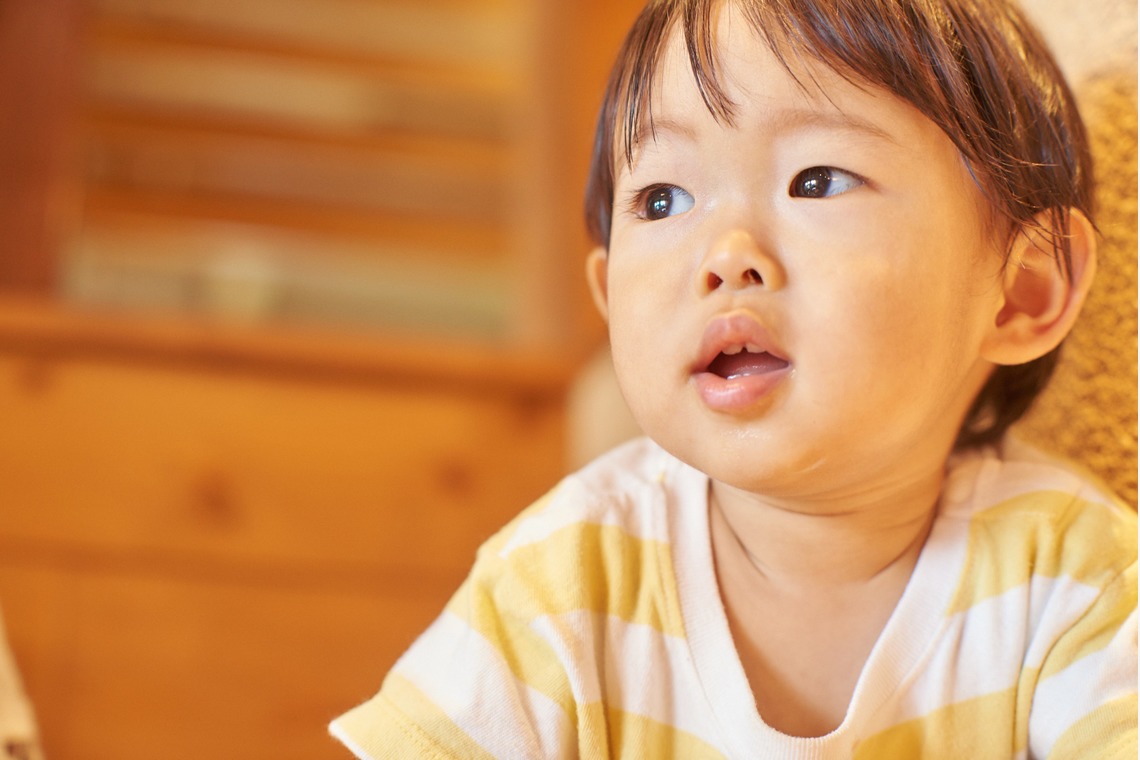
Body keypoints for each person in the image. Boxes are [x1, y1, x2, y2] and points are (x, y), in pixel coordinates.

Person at [331, 0, 1137, 756]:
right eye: (662, 199)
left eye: (816, 180)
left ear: (1022, 289)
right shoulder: (563, 579)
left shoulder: (1079, 579)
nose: (724, 256)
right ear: (608, 293)